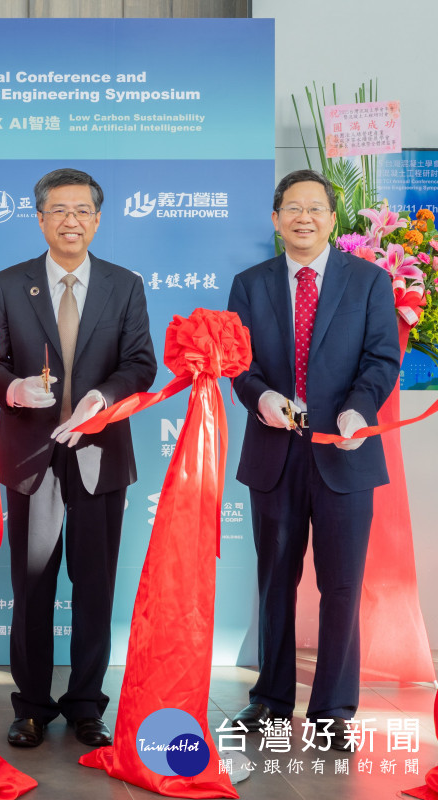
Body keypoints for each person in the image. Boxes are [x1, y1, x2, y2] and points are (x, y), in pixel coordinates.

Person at [0, 168, 157, 750]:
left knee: (95, 586)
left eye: (82, 210)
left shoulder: (123, 285)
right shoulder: (9, 283)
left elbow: (141, 362)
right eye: (58, 210)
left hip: (99, 454)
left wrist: (102, 398)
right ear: (40, 218)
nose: (70, 220)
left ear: (98, 220)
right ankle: (31, 706)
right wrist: (13, 388)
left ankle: (86, 705)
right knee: (32, 586)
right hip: (32, 456)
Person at [227, 169, 397, 741]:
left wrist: (358, 410)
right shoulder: (250, 284)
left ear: (331, 218)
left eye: (315, 208)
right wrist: (262, 398)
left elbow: (381, 359)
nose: (304, 218)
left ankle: (334, 711)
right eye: (293, 208)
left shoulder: (369, 281)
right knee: (275, 579)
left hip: (345, 452)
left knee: (341, 584)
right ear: (276, 220)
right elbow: (240, 365)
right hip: (274, 452)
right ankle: (271, 698)